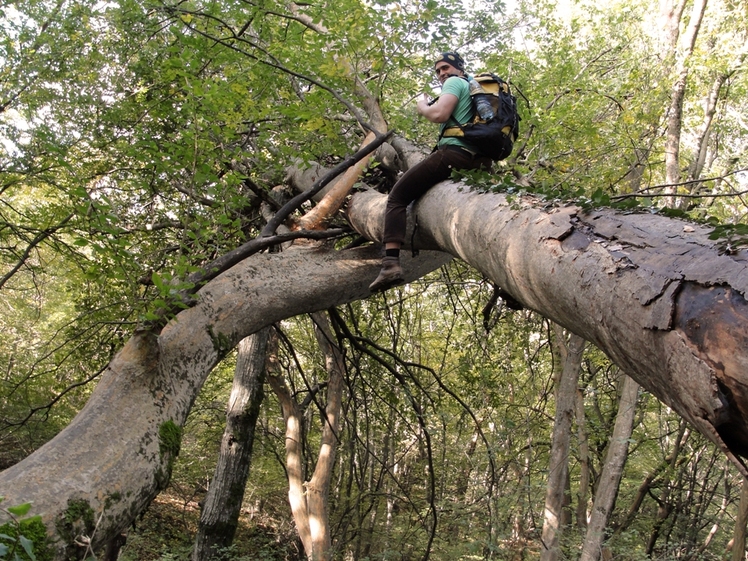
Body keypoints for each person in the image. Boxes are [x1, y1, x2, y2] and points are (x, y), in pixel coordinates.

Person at [369, 51, 493, 292]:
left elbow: (439, 114)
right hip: (480, 163)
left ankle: (390, 264)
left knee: (397, 197)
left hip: (455, 155)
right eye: (438, 71)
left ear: (459, 68)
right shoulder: (473, 89)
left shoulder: (456, 83)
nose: (442, 74)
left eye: (446, 68)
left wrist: (423, 106)